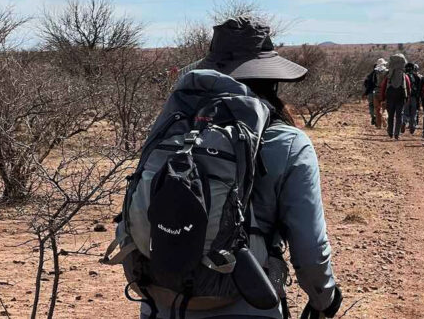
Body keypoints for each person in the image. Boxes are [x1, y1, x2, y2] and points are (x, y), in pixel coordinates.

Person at [145, 18, 342, 319]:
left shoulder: (173, 131)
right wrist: (324, 298)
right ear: (271, 79)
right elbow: (310, 247)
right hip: (247, 304)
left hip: (161, 302)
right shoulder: (288, 142)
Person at [380, 53, 411, 140]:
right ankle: (397, 134)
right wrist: (407, 97)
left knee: (391, 115)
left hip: (390, 96)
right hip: (400, 97)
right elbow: (408, 87)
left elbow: (383, 87)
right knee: (399, 115)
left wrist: (383, 98)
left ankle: (390, 132)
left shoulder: (389, 75)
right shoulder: (404, 76)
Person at [363, 58, 387, 127]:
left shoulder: (374, 72)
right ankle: (384, 117)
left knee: (377, 109)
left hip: (376, 91)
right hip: (384, 92)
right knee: (385, 107)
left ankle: (378, 124)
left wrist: (366, 93)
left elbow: (369, 83)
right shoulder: (387, 71)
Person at [402, 62, 422, 135]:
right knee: (413, 113)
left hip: (406, 97)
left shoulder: (403, 76)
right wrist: (419, 99)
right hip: (414, 97)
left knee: (405, 112)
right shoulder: (417, 77)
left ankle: (403, 122)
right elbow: (420, 89)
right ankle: (412, 127)